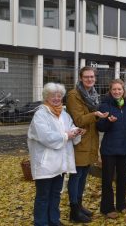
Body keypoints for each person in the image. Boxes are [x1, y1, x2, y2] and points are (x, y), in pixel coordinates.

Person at [28, 83, 84, 226]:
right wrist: (66, 135)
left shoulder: (64, 114)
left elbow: (70, 127)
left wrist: (76, 131)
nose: (57, 98)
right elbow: (46, 137)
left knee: (55, 194)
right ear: (46, 97)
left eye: (59, 96)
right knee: (43, 196)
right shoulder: (40, 114)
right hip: (45, 163)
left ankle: (53, 220)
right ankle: (41, 223)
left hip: (60, 163)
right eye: (53, 96)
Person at [66, 66, 109, 223]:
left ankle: (79, 205)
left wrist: (102, 117)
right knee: (76, 176)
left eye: (92, 77)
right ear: (80, 78)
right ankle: (73, 210)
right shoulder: (74, 95)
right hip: (79, 141)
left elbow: (89, 119)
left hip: (90, 139)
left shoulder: (93, 95)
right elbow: (79, 120)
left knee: (84, 175)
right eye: (86, 77)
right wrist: (96, 115)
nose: (90, 79)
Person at [96, 79, 126, 219]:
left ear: (124, 91)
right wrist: (107, 121)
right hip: (109, 149)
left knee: (123, 179)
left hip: (124, 148)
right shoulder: (105, 106)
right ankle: (107, 208)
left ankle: (121, 205)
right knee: (107, 179)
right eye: (114, 90)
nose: (117, 92)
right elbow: (99, 127)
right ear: (110, 91)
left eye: (119, 89)